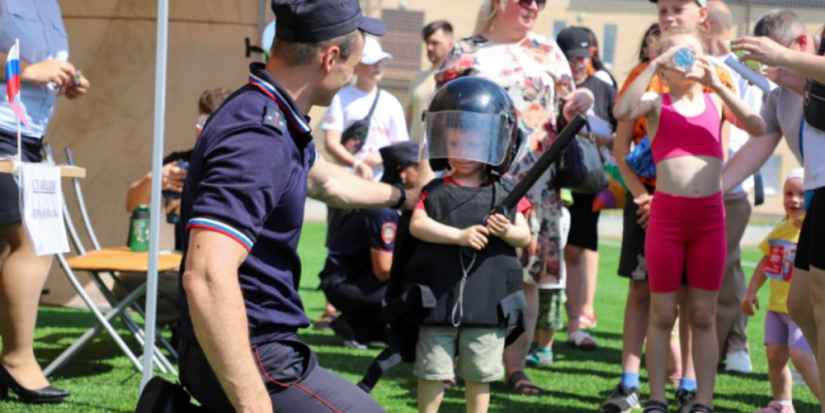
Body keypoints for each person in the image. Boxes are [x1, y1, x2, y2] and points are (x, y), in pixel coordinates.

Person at [150, 1, 418, 411]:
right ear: (330, 58)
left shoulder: (268, 112)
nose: (352, 74)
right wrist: (254, 403)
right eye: (355, 62)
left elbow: (324, 180)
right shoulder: (260, 136)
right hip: (251, 354)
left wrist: (401, 198)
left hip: (235, 346)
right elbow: (205, 274)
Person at [432, 0, 595, 394]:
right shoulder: (467, 51)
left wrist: (582, 102)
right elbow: (440, 113)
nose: (533, 6)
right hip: (477, 182)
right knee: (465, 271)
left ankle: (516, 368)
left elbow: (567, 109)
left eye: (540, 1)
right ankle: (452, 361)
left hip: (539, 185)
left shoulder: (547, 50)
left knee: (529, 279)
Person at [614, 28, 766, 413]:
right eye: (676, 55)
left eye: (693, 53)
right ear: (663, 65)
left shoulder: (717, 101)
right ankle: (656, 399)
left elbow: (758, 126)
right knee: (663, 312)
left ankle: (702, 401)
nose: (686, 60)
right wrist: (654, 66)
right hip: (666, 220)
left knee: (702, 313)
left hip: (709, 222)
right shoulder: (654, 101)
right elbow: (620, 111)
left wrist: (716, 80)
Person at [409, 76, 531, 413]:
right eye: (454, 141)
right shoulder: (434, 191)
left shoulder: (505, 194)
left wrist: (505, 229)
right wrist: (458, 236)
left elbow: (524, 237)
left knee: (480, 372)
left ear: (494, 142)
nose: (462, 151)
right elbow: (417, 225)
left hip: (487, 305)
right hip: (439, 302)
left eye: (473, 143)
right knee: (432, 370)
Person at [731, 16, 825, 413]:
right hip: (818, 188)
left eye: (768, 55)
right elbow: (756, 148)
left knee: (819, 302)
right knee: (803, 305)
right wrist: (705, 195)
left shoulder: (801, 60)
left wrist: (786, 62)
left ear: (801, 42)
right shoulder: (780, 90)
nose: (767, 65)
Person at [0, 0, 89, 404]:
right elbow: (23, 65)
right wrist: (26, 71)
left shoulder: (49, 5)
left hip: (28, 136)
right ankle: (17, 359)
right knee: (33, 242)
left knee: (13, 245)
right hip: (3, 130)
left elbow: (36, 65)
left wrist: (66, 81)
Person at [534, 26, 617, 366]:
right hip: (550, 180)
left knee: (576, 252)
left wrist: (598, 139)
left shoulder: (603, 86)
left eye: (584, 57)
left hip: (586, 181)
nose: (579, 64)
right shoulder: (549, 83)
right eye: (573, 58)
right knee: (541, 255)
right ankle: (533, 334)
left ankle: (575, 326)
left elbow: (616, 130)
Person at [118, 88, 231, 331]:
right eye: (201, 121)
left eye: (212, 122)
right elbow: (132, 204)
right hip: (182, 264)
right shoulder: (180, 163)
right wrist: (153, 178)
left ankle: (197, 327)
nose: (204, 129)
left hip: (222, 268)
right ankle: (189, 327)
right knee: (125, 281)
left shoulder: (237, 164)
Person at [703, 0, 766, 374]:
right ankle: (703, 346)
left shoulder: (743, 68)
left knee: (726, 268)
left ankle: (733, 345)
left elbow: (759, 127)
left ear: (705, 23)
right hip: (692, 185)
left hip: (731, 185)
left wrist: (728, 179)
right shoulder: (690, 61)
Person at [319, 141, 419, 349]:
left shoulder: (392, 203)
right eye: (418, 168)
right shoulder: (384, 209)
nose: (429, 174)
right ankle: (357, 326)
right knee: (414, 293)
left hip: (360, 279)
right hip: (346, 284)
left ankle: (361, 328)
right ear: (401, 172)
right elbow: (383, 270)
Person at [742, 169, 822, 413]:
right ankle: (783, 403)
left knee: (800, 356)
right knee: (775, 356)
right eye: (788, 193)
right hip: (775, 309)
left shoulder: (813, 234)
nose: (794, 200)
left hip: (801, 310)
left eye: (801, 194)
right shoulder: (780, 230)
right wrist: (751, 292)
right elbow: (766, 263)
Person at [406, 20, 454, 142]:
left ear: (450, 44)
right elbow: (408, 119)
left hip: (442, 153)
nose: (429, 47)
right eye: (427, 43)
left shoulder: (456, 79)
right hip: (415, 152)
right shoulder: (418, 78)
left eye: (435, 43)